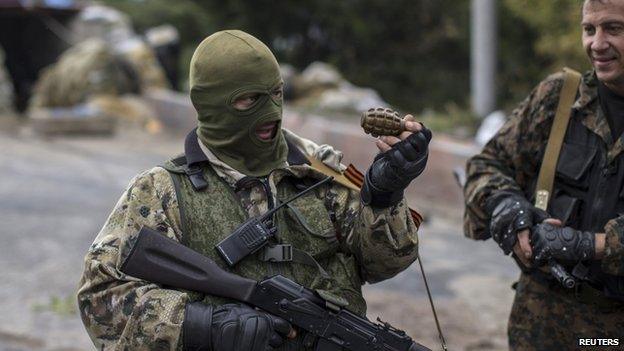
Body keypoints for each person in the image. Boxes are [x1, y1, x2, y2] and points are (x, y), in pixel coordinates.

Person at [77, 29, 431, 351]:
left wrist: (383, 196)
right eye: (249, 100)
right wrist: (206, 326)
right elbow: (101, 300)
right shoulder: (161, 190)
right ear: (211, 104)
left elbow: (384, 264)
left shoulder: (320, 171)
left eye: (276, 94)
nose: (272, 112)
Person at [464, 0, 624, 349]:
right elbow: (486, 164)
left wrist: (587, 245)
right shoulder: (560, 97)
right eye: (589, 29)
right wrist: (507, 207)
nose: (597, 44)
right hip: (538, 319)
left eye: (614, 28)